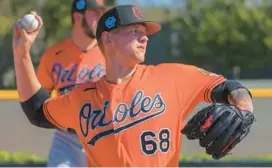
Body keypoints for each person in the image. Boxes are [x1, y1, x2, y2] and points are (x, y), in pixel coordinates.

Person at [12, 5, 254, 167]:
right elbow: (37, 110)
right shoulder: (82, 98)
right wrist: (21, 52)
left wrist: (244, 107)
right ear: (108, 38)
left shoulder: (172, 77)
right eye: (135, 31)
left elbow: (228, 87)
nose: (145, 37)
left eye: (145, 32)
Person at [35, 0, 107, 167]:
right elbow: (38, 98)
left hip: (105, 134)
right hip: (66, 138)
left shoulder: (111, 51)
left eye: (102, 13)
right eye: (95, 13)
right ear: (77, 16)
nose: (101, 18)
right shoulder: (54, 54)